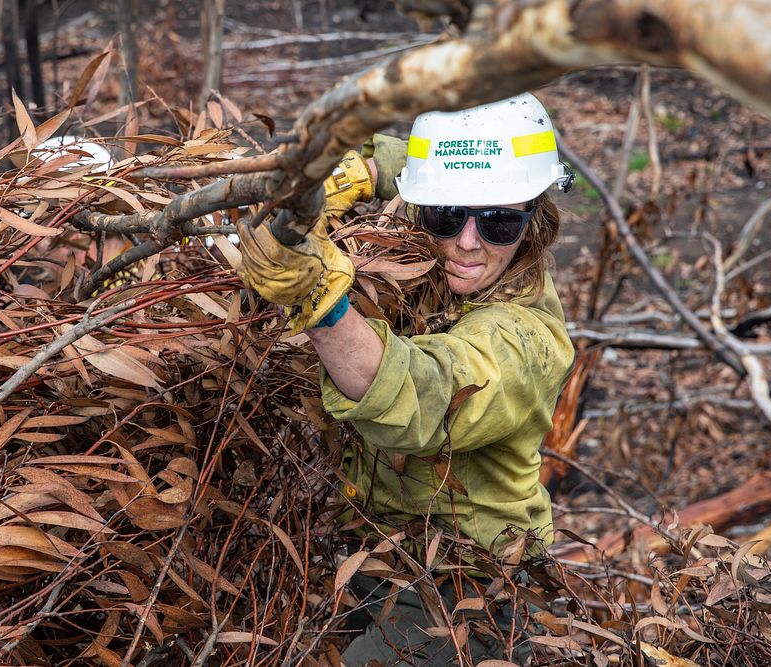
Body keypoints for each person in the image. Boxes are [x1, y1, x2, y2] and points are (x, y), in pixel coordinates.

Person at [238, 93, 575, 665]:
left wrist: (319, 303)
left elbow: (424, 396)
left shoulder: (525, 340)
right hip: (373, 549)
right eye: (446, 214)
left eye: (498, 222)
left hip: (470, 589)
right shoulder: (431, 225)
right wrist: (365, 170)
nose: (467, 242)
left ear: (535, 217)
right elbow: (411, 166)